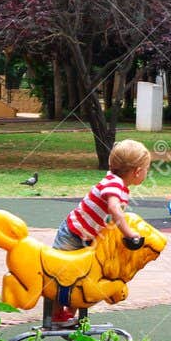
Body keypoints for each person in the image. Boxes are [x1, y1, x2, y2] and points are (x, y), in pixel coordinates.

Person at [52, 139, 153, 324]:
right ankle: (56, 314)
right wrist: (129, 233)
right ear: (138, 171)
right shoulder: (114, 184)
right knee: (59, 273)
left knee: (84, 277)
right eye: (147, 169)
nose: (147, 172)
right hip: (72, 234)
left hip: (88, 238)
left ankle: (68, 316)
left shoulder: (118, 184)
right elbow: (114, 210)